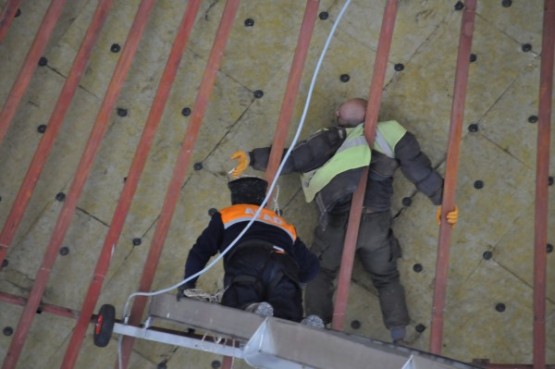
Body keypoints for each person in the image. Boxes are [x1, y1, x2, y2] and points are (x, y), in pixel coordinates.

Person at [230, 98, 457, 343]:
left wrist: (253, 158)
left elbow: (292, 159)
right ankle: (398, 336)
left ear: (339, 114)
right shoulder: (391, 133)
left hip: (336, 220)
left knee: (320, 272)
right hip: (375, 222)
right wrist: (442, 201)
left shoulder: (329, 138)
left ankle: (317, 326)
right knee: (386, 277)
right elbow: (419, 170)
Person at [179, 176, 322, 326]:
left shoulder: (227, 215)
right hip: (284, 264)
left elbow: (200, 251)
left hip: (248, 260)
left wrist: (188, 284)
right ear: (263, 201)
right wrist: (297, 280)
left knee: (237, 305)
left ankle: (252, 309)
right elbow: (312, 267)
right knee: (286, 312)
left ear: (235, 199)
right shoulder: (283, 224)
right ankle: (303, 325)